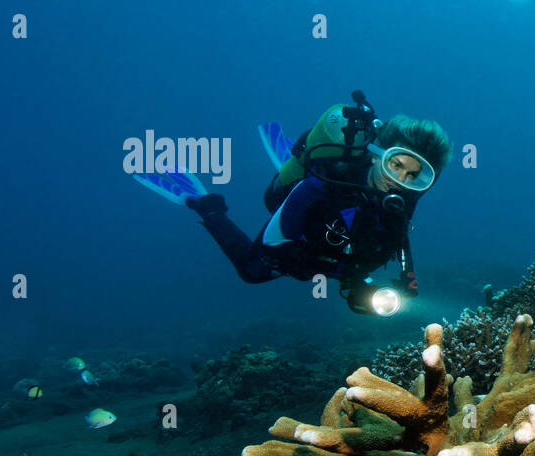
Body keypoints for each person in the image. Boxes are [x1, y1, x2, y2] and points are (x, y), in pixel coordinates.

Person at [185, 92, 452, 316]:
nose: (401, 180)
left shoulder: (404, 194)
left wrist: (406, 274)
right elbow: (270, 244)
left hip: (342, 252)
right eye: (395, 165)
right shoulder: (323, 185)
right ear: (375, 156)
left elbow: (399, 234)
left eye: (413, 175)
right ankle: (210, 208)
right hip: (301, 234)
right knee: (252, 271)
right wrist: (338, 271)